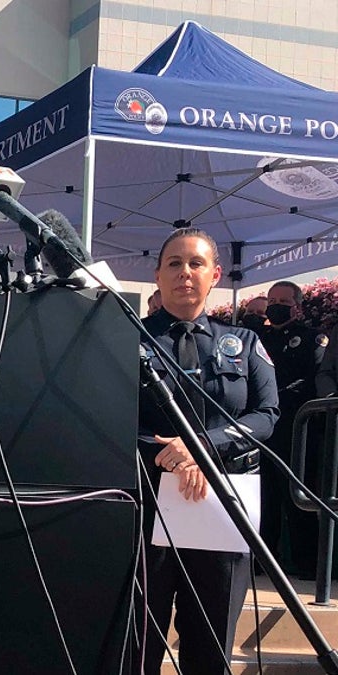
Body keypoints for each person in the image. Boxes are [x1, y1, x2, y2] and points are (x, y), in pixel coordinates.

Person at [136, 228, 277, 675]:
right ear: (157, 275)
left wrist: (199, 449)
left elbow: (267, 414)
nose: (185, 273)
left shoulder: (244, 344)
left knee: (211, 646)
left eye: (196, 264)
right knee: (137, 643)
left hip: (219, 510)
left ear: (214, 274)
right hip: (148, 506)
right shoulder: (126, 339)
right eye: (174, 263)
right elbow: (105, 413)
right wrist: (173, 457)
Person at [261, 281, 327, 577]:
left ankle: (305, 563)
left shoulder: (312, 339)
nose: (276, 305)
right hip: (263, 432)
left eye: (283, 301)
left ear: (297, 306)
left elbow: (311, 381)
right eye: (271, 300)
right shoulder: (258, 338)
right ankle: (263, 559)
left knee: (297, 495)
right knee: (266, 498)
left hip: (295, 430)